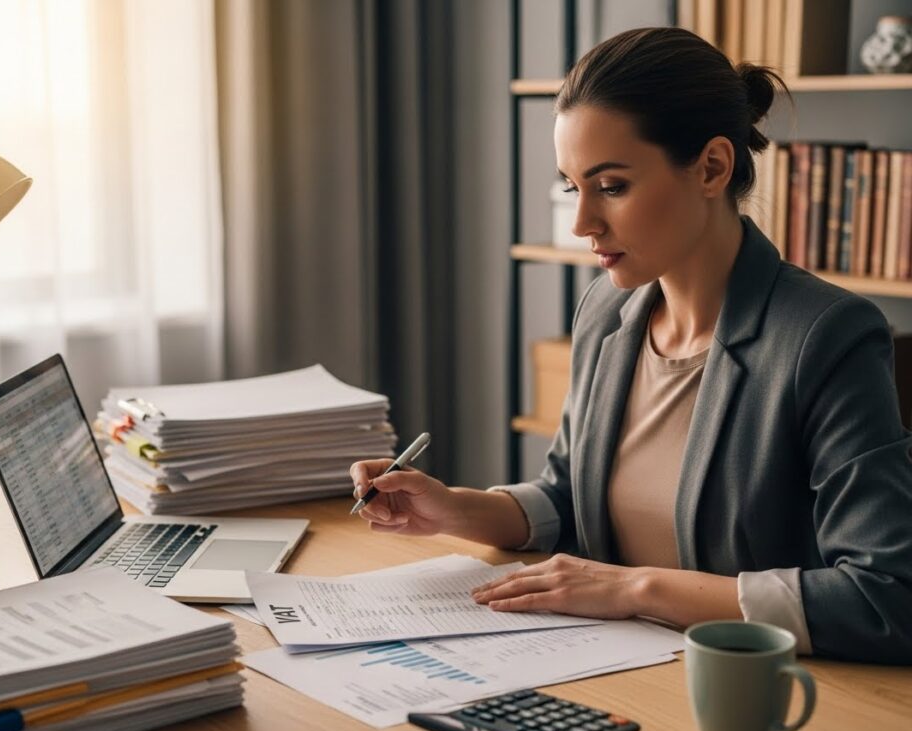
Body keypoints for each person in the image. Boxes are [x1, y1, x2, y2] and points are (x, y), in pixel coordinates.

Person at [350, 27, 912, 664]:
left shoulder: (826, 337)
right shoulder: (607, 310)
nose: (582, 224)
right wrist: (457, 510)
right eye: (573, 187)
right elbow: (568, 498)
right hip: (612, 673)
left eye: (611, 187)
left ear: (712, 167)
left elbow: (886, 595)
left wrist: (635, 588)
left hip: (743, 698)